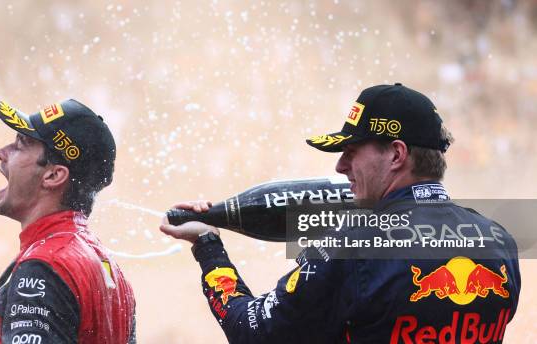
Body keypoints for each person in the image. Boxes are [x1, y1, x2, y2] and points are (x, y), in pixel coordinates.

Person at [160, 83, 520, 343]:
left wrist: (208, 246)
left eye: (352, 151)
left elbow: (252, 331)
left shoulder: (351, 246)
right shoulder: (499, 240)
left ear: (396, 155)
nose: (340, 166)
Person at [0, 99, 136, 344]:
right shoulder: (111, 269)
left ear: (53, 175)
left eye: (20, 145)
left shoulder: (44, 264)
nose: (1, 153)